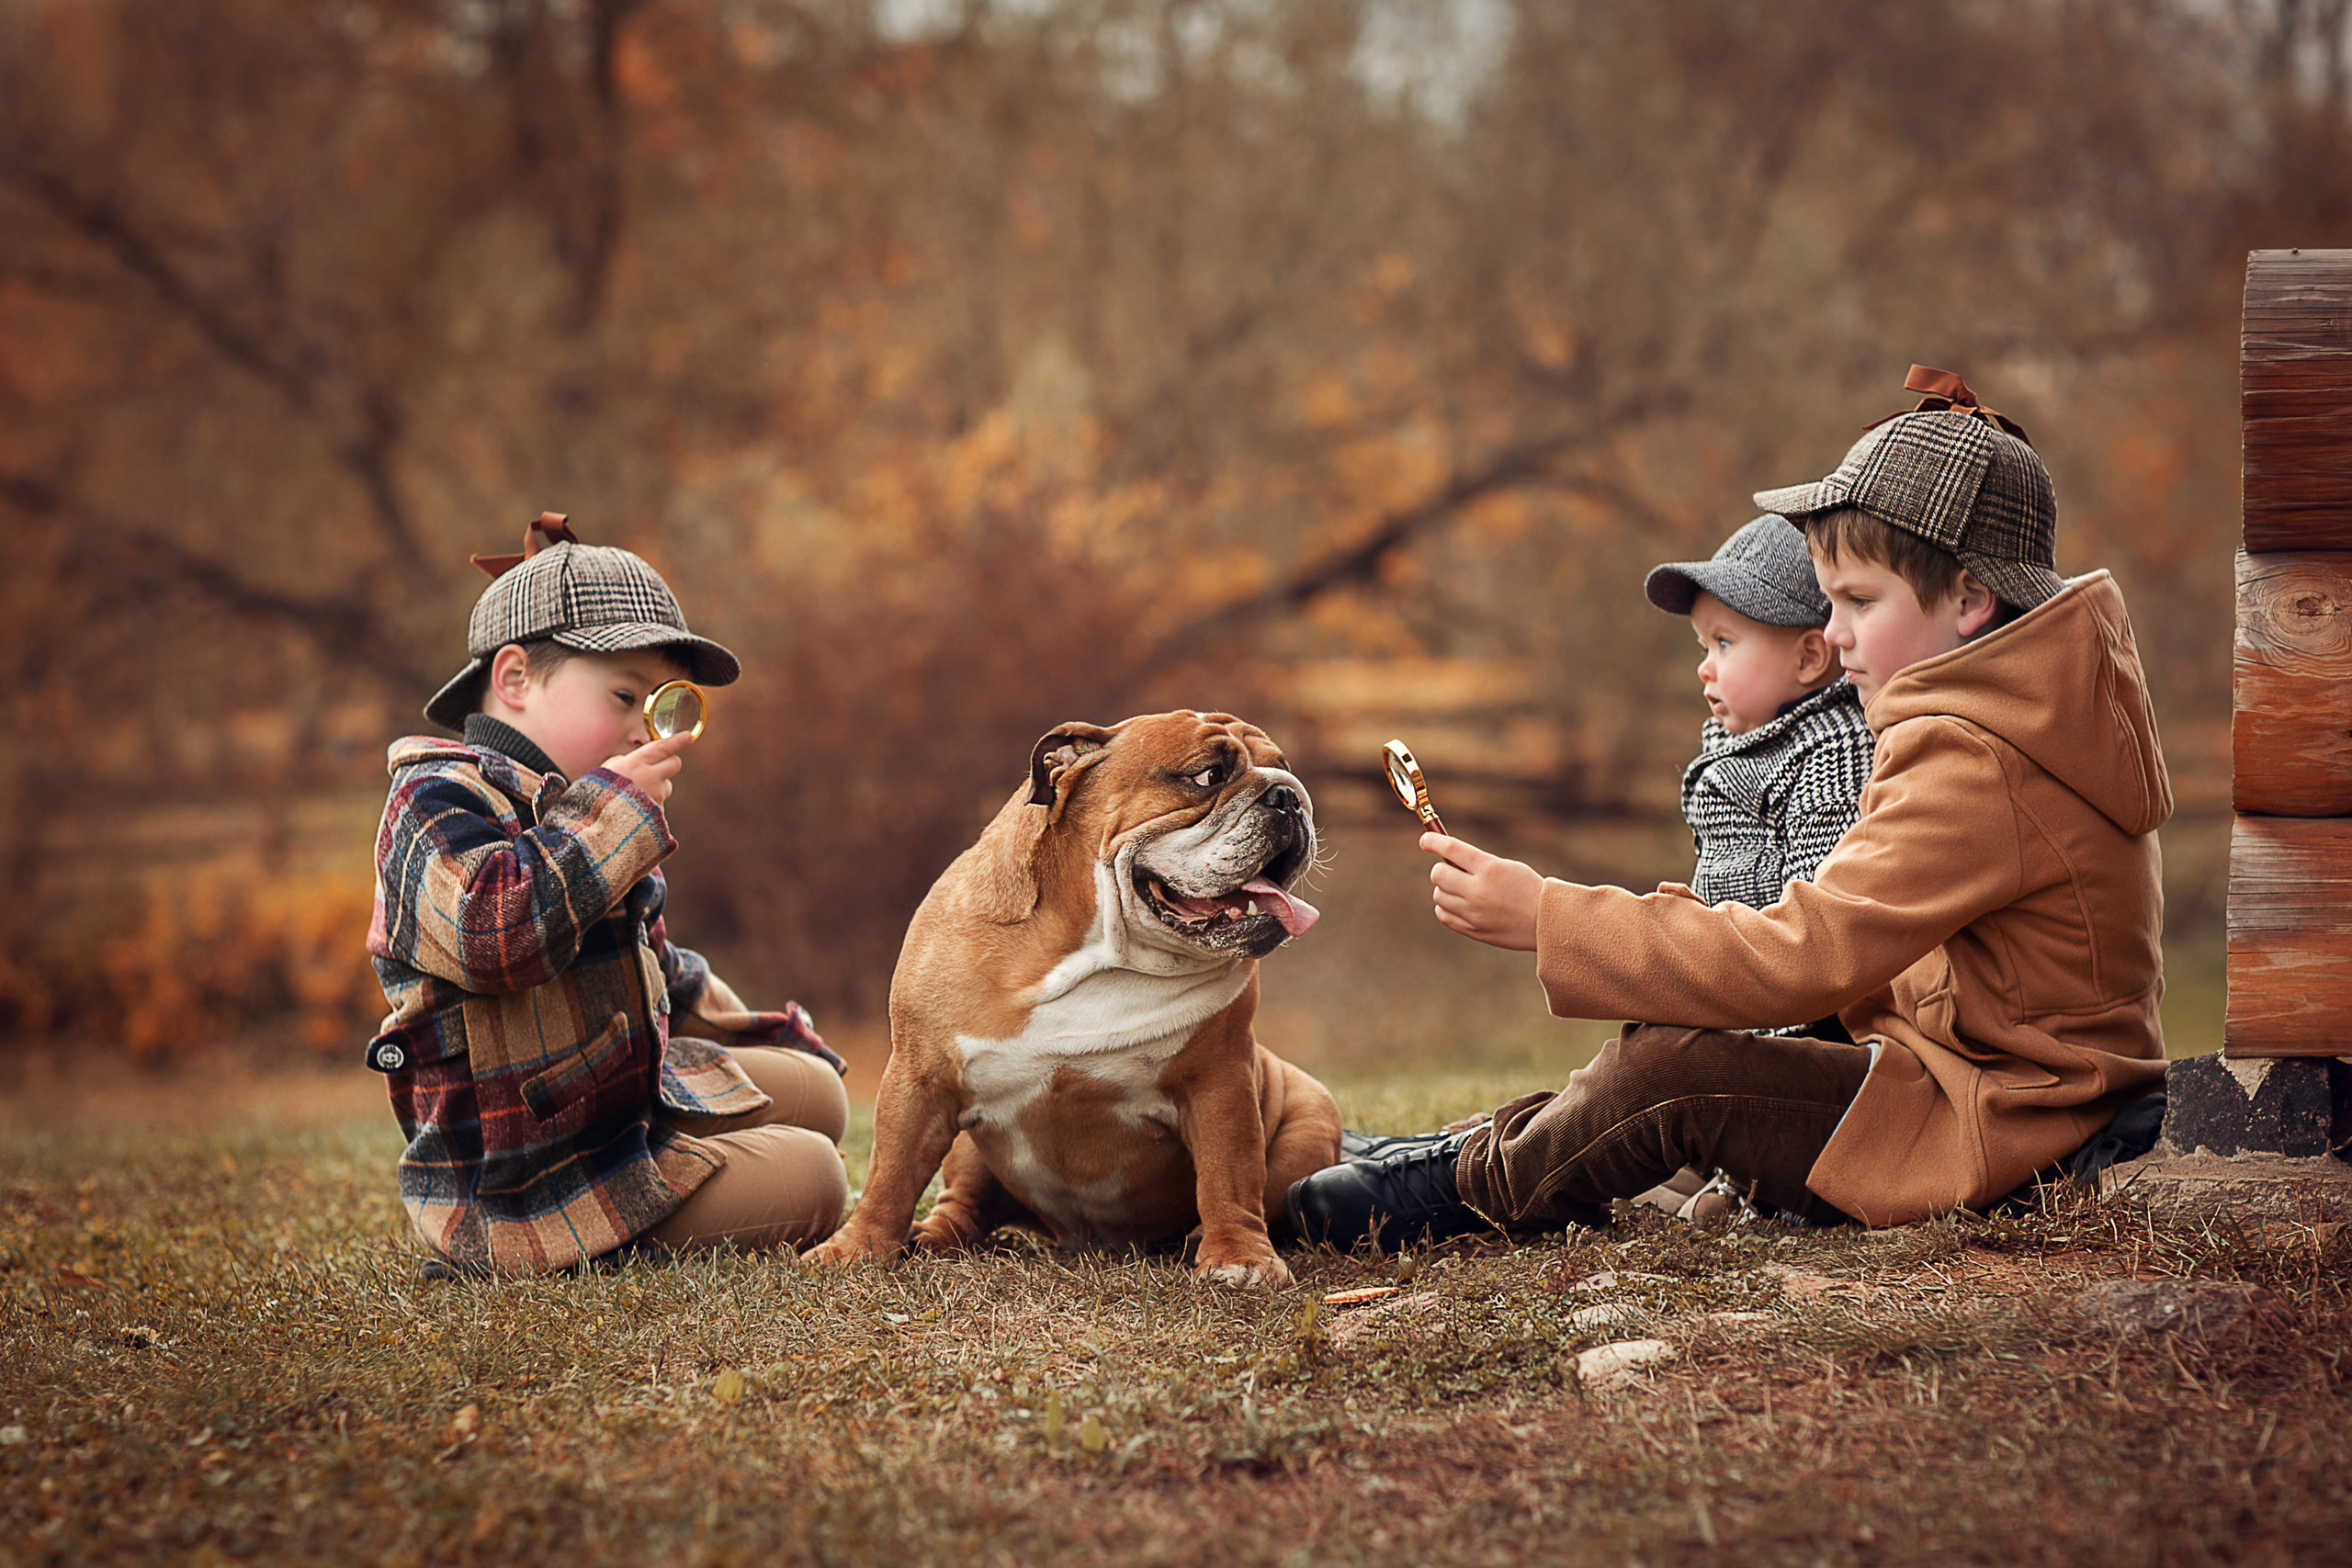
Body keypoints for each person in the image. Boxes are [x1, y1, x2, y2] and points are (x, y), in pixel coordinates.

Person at [1291, 369, 2170, 1245]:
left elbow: (1808, 951)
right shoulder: (2022, 711)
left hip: (2004, 1126)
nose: (1834, 635)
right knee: (1684, 1040)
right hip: (1984, 1089)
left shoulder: (1976, 756)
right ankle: (1469, 1148)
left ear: (1972, 598)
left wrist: (1550, 915)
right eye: (1830, 602)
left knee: (1675, 1077)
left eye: (1862, 601)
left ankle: (1458, 1188)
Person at [365, 512, 850, 1275]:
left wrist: (759, 1028)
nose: (643, 730)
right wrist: (610, 817)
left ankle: (681, 1155)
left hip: (613, 1100)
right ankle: (571, 1238)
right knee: (818, 1179)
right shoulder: (433, 801)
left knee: (821, 1094)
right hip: (525, 1172)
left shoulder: (584, 808)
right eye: (625, 697)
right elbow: (495, 937)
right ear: (515, 678)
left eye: (660, 704)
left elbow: (656, 964)